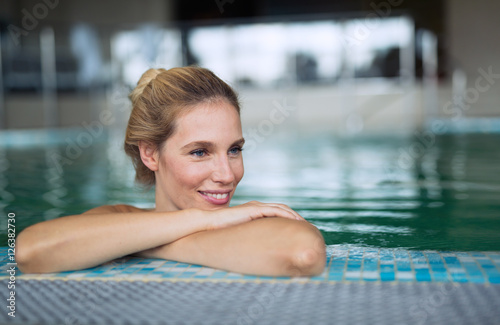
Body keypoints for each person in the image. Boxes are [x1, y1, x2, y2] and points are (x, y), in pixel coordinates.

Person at [16, 66, 326, 276]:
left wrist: (141, 247)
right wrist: (205, 220)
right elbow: (31, 251)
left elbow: (304, 254)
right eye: (200, 152)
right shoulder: (119, 215)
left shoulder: (118, 230)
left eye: (234, 149)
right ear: (150, 153)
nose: (227, 174)